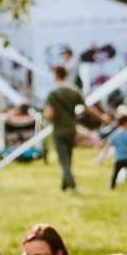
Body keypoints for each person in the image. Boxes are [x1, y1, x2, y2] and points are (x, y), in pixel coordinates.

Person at [43, 63, 88, 191]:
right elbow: (88, 108)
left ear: (55, 75)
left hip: (59, 131)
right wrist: (102, 117)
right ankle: (64, 186)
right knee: (68, 159)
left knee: (64, 162)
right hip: (71, 130)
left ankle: (73, 186)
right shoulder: (73, 91)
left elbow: (48, 114)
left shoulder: (52, 94)